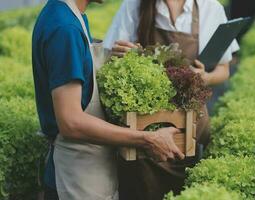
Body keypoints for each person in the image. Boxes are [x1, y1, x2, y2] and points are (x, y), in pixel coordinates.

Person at [32, 0, 185, 199]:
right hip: (74, 176)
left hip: (89, 169)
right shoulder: (65, 28)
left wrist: (111, 58)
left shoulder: (69, 15)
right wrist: (147, 139)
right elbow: (71, 122)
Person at [103, 0, 239, 199]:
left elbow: (223, 70)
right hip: (144, 129)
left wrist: (205, 77)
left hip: (189, 129)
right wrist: (119, 55)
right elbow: (109, 60)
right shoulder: (134, 5)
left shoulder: (211, 8)